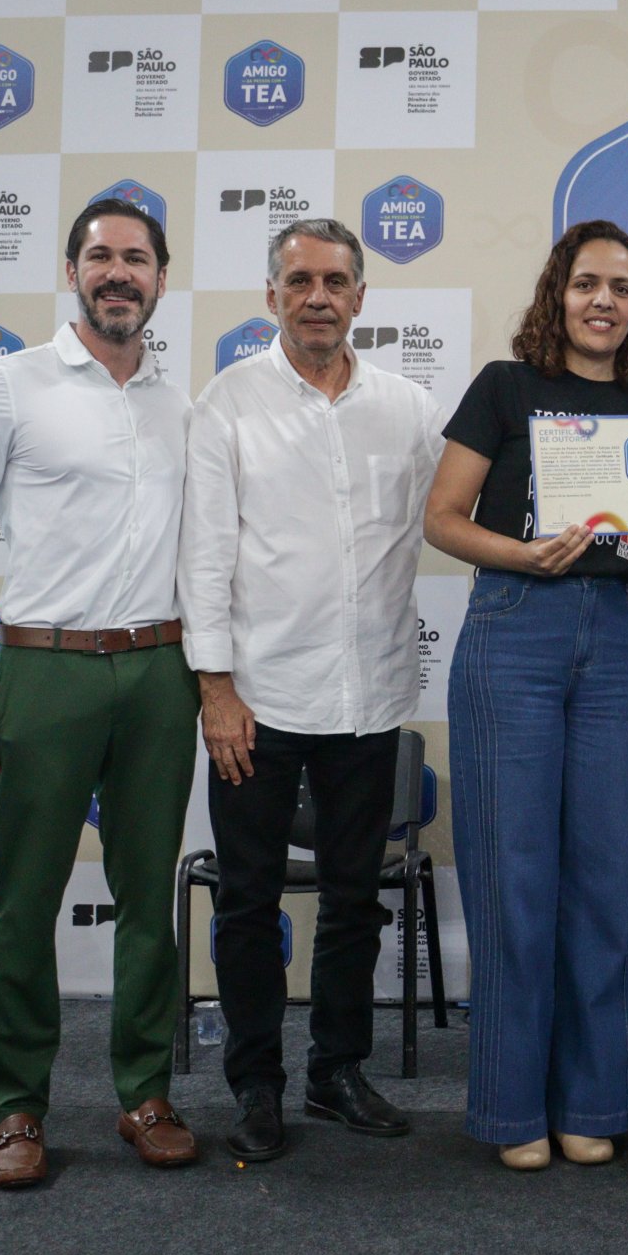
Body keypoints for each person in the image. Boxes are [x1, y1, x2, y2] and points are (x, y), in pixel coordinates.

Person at [0, 199, 200, 1187]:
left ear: (160, 277)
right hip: (45, 668)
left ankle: (145, 1092)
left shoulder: (181, 405)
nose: (119, 272)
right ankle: (16, 1107)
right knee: (26, 898)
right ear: (72, 271)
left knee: (147, 900)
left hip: (160, 670)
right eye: (100, 256)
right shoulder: (6, 386)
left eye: (137, 258)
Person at [177, 218, 443, 1163]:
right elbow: (203, 556)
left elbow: (455, 513)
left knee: (353, 899)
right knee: (248, 903)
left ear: (361, 296)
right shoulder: (227, 404)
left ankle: (336, 1070)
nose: (318, 297)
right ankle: (256, 1084)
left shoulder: (410, 409)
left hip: (369, 695)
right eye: (299, 282)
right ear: (271, 296)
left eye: (335, 281)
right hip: (256, 701)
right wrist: (215, 689)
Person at [425, 220, 628, 1170]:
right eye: (586, 284)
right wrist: (524, 553)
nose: (603, 301)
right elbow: (442, 518)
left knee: (609, 879)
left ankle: (592, 1100)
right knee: (513, 877)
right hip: (514, 626)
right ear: (557, 294)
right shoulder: (505, 387)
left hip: (617, 636)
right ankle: (509, 1108)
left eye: (622, 287)